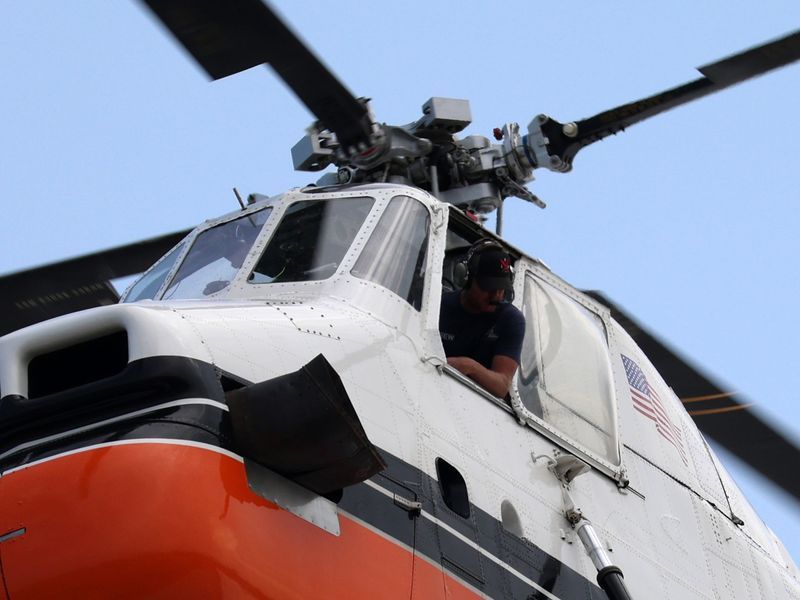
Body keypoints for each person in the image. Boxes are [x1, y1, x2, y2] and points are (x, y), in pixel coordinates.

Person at [439, 242, 525, 398]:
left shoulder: (511, 320)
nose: (496, 296)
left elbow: (502, 385)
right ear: (468, 278)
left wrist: (469, 366)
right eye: (489, 288)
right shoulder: (440, 304)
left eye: (501, 289)